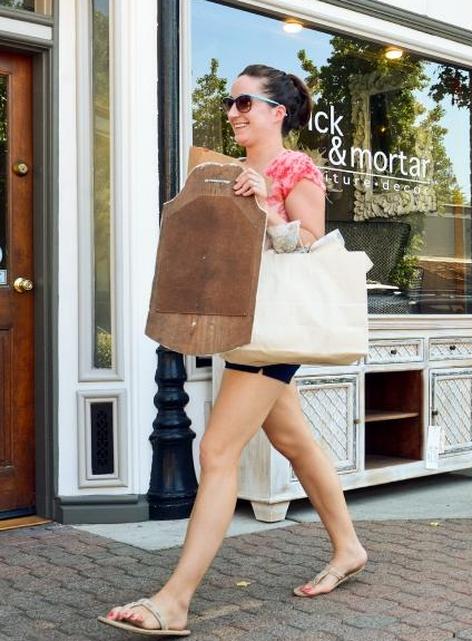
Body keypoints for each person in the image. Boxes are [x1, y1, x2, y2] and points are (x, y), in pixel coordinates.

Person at [100, 64, 367, 637]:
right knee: (291, 438)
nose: (233, 113)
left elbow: (314, 241)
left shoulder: (296, 168)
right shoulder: (232, 169)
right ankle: (348, 548)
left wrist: (269, 205)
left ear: (277, 112)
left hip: (274, 326)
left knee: (217, 452)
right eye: (230, 104)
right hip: (244, 323)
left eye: (245, 103)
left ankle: (175, 600)